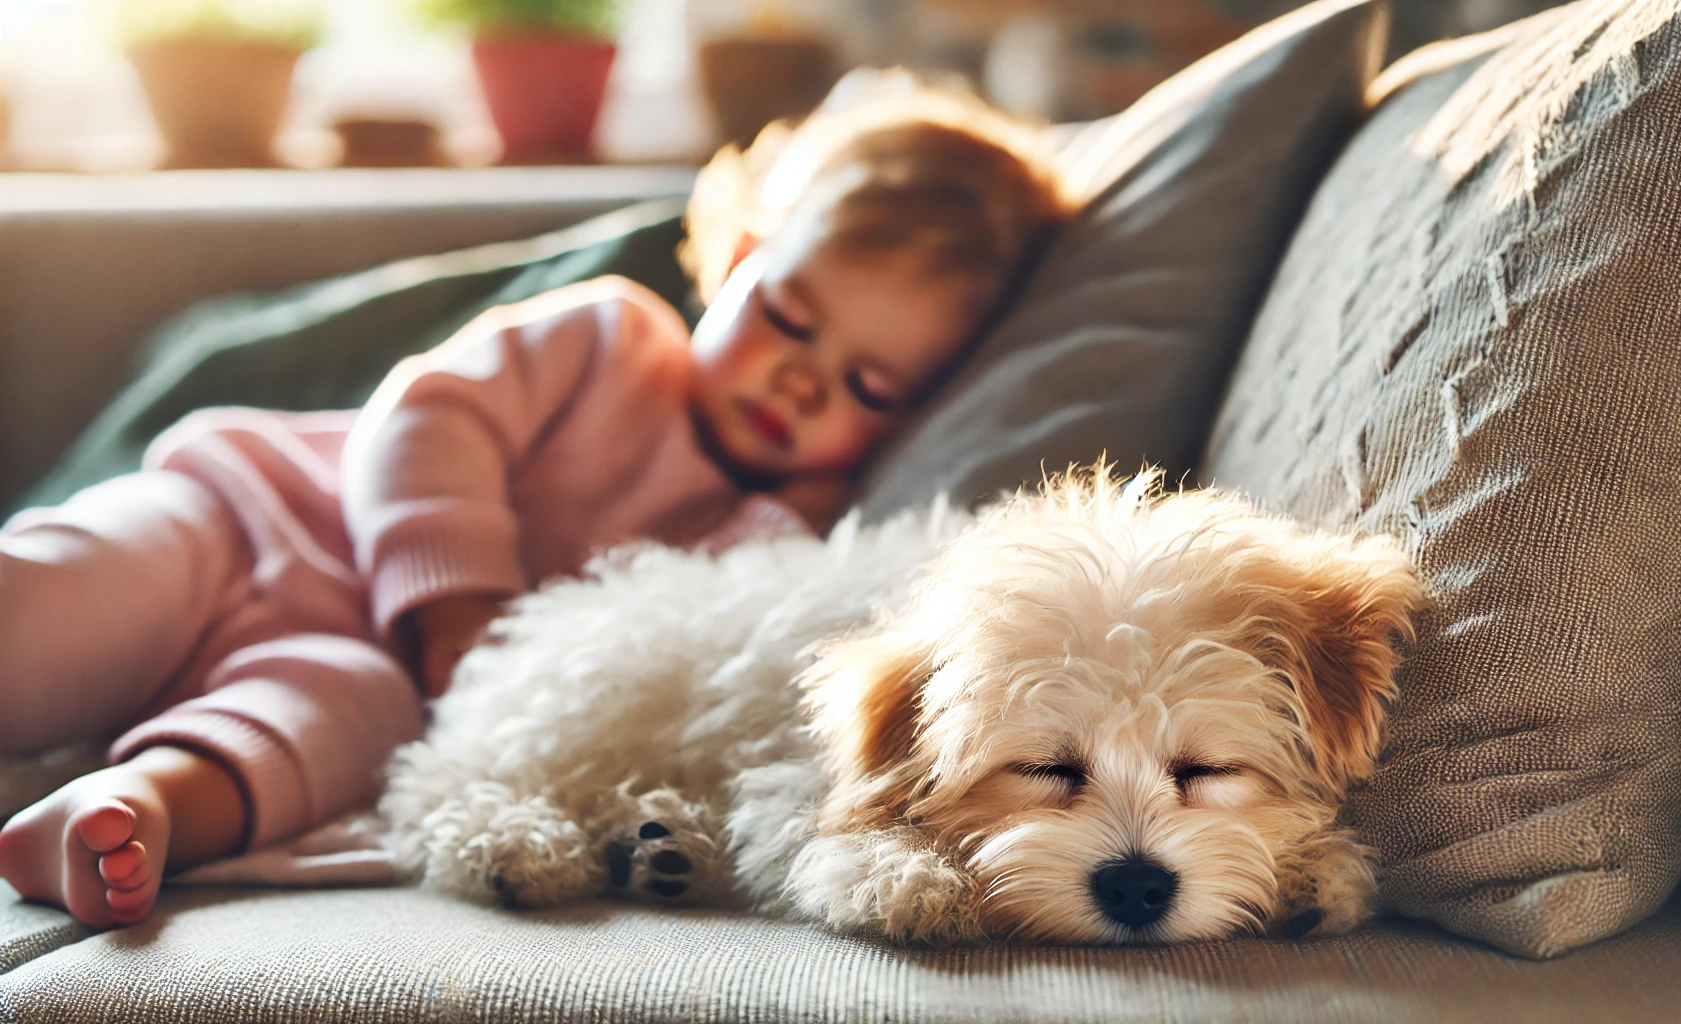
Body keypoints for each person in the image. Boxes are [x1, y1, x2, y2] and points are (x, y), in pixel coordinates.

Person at [0, 77, 1073, 929]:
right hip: (252, 526)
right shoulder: (609, 337)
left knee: (321, 738)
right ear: (738, 260)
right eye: (789, 316)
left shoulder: (773, 537)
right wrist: (457, 608)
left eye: (867, 383)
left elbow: (685, 660)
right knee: (63, 603)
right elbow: (426, 417)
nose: (801, 380)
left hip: (362, 668)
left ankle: (125, 811)